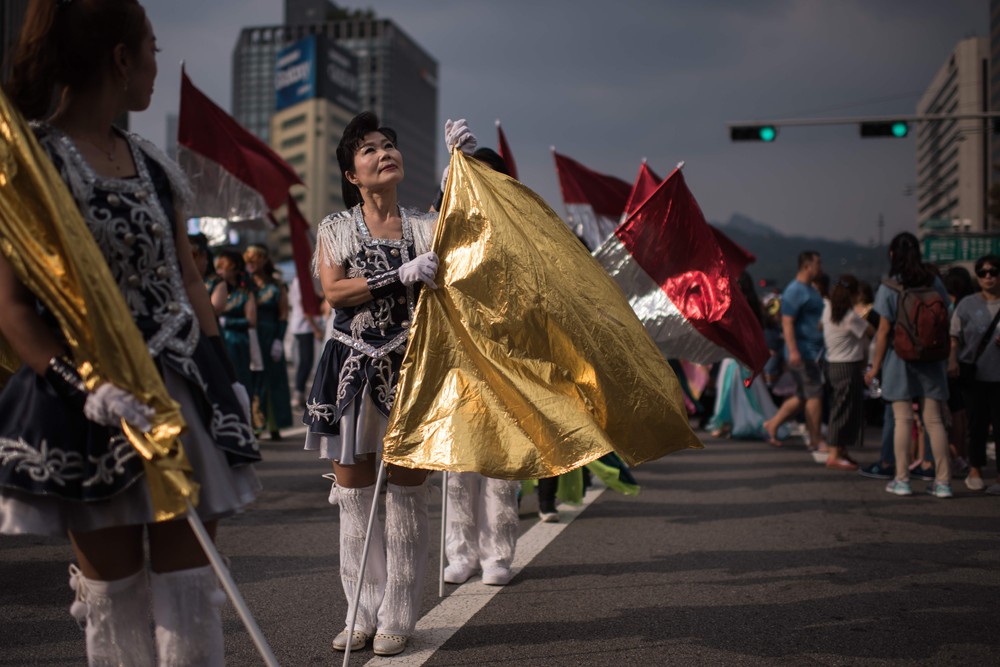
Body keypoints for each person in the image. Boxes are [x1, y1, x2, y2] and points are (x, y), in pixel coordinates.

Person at [0, 1, 260, 664]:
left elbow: (191, 283)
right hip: (89, 402)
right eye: (151, 47)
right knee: (112, 596)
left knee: (189, 586)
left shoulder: (151, 165)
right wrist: (79, 386)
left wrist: (225, 378)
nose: (156, 64)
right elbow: (11, 307)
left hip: (176, 388)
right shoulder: (31, 168)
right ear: (121, 59)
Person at [302, 112, 474, 656]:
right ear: (352, 174)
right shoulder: (336, 228)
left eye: (389, 146)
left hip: (412, 372)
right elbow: (334, 291)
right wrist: (392, 277)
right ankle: (359, 611)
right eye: (369, 149)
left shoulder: (426, 226)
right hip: (351, 366)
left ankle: (399, 612)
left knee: (404, 496)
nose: (384, 154)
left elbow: (474, 237)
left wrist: (464, 171)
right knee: (354, 498)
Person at [439, 147, 522, 586]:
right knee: (458, 464)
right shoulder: (447, 229)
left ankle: (497, 555)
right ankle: (461, 552)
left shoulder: (514, 234)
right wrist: (453, 165)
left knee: (499, 466)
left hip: (505, 365)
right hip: (456, 365)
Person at [865, 232, 952, 498]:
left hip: (899, 358)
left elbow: (883, 331)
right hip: (932, 359)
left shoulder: (890, 285)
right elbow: (945, 313)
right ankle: (943, 482)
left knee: (902, 419)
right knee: (934, 421)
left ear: (893, 254)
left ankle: (901, 480)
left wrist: (875, 367)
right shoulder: (933, 280)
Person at [763, 251, 827, 450]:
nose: (820, 268)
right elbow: (787, 322)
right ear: (807, 266)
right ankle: (816, 439)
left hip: (812, 351)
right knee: (814, 394)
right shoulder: (795, 290)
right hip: (803, 351)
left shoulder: (809, 289)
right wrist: (793, 351)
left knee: (802, 396)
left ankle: (772, 424)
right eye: (818, 263)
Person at [948, 255, 1000, 495]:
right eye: (982, 272)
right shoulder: (967, 304)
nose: (988, 276)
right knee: (976, 425)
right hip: (974, 373)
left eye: (993, 271)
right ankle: (975, 470)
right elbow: (954, 336)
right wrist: (952, 360)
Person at [821, 275, 874, 470]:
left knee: (840, 407)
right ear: (852, 294)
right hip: (848, 366)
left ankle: (841, 450)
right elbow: (871, 331)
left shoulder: (828, 310)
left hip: (833, 364)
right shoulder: (850, 316)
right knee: (843, 410)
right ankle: (834, 453)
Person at [244, 244, 292, 439]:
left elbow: (283, 314)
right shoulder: (245, 286)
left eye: (254, 260)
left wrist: (279, 340)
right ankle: (256, 423)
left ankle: (275, 424)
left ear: (264, 261)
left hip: (270, 336)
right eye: (248, 261)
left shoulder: (276, 286)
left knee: (274, 380)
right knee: (254, 379)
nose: (251, 265)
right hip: (252, 337)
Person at [215, 249, 258, 391]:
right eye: (218, 268)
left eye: (224, 267)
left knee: (239, 381)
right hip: (219, 340)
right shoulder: (213, 288)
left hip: (237, 342)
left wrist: (227, 322)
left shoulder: (245, 293)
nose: (220, 272)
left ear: (235, 269)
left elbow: (251, 321)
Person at [288, 274, 325, 409]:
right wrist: (315, 329)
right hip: (304, 326)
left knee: (305, 361)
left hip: (302, 325)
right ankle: (298, 395)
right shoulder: (302, 282)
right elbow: (305, 308)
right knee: (305, 362)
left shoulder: (297, 280)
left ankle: (300, 395)